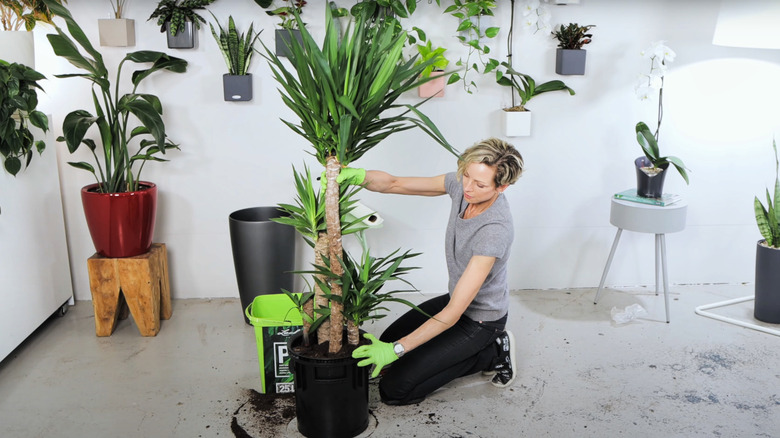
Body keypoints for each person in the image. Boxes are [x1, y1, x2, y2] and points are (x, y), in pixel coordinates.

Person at [345, 137, 524, 406]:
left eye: (480, 184)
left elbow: (452, 315)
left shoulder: (494, 231)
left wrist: (397, 349)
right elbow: (395, 183)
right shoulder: (463, 185)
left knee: (394, 390)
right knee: (387, 343)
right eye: (466, 175)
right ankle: (440, 353)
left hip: (479, 320)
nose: (468, 187)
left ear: (502, 187)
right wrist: (357, 177)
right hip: (456, 301)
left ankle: (493, 353)